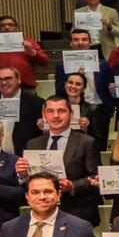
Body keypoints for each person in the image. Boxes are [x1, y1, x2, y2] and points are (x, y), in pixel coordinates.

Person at [19, 95, 101, 227]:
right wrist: (23, 174)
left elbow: (95, 177)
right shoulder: (33, 143)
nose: (56, 116)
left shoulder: (87, 142)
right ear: (44, 114)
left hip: (77, 213)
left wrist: (72, 186)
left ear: (71, 113)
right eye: (50, 111)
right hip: (43, 212)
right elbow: (30, 181)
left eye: (61, 111)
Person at [0, 15, 50, 91]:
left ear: (16, 27)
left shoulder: (29, 42)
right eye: (3, 25)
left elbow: (45, 62)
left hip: (25, 87)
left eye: (10, 24)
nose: (7, 27)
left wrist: (33, 52)